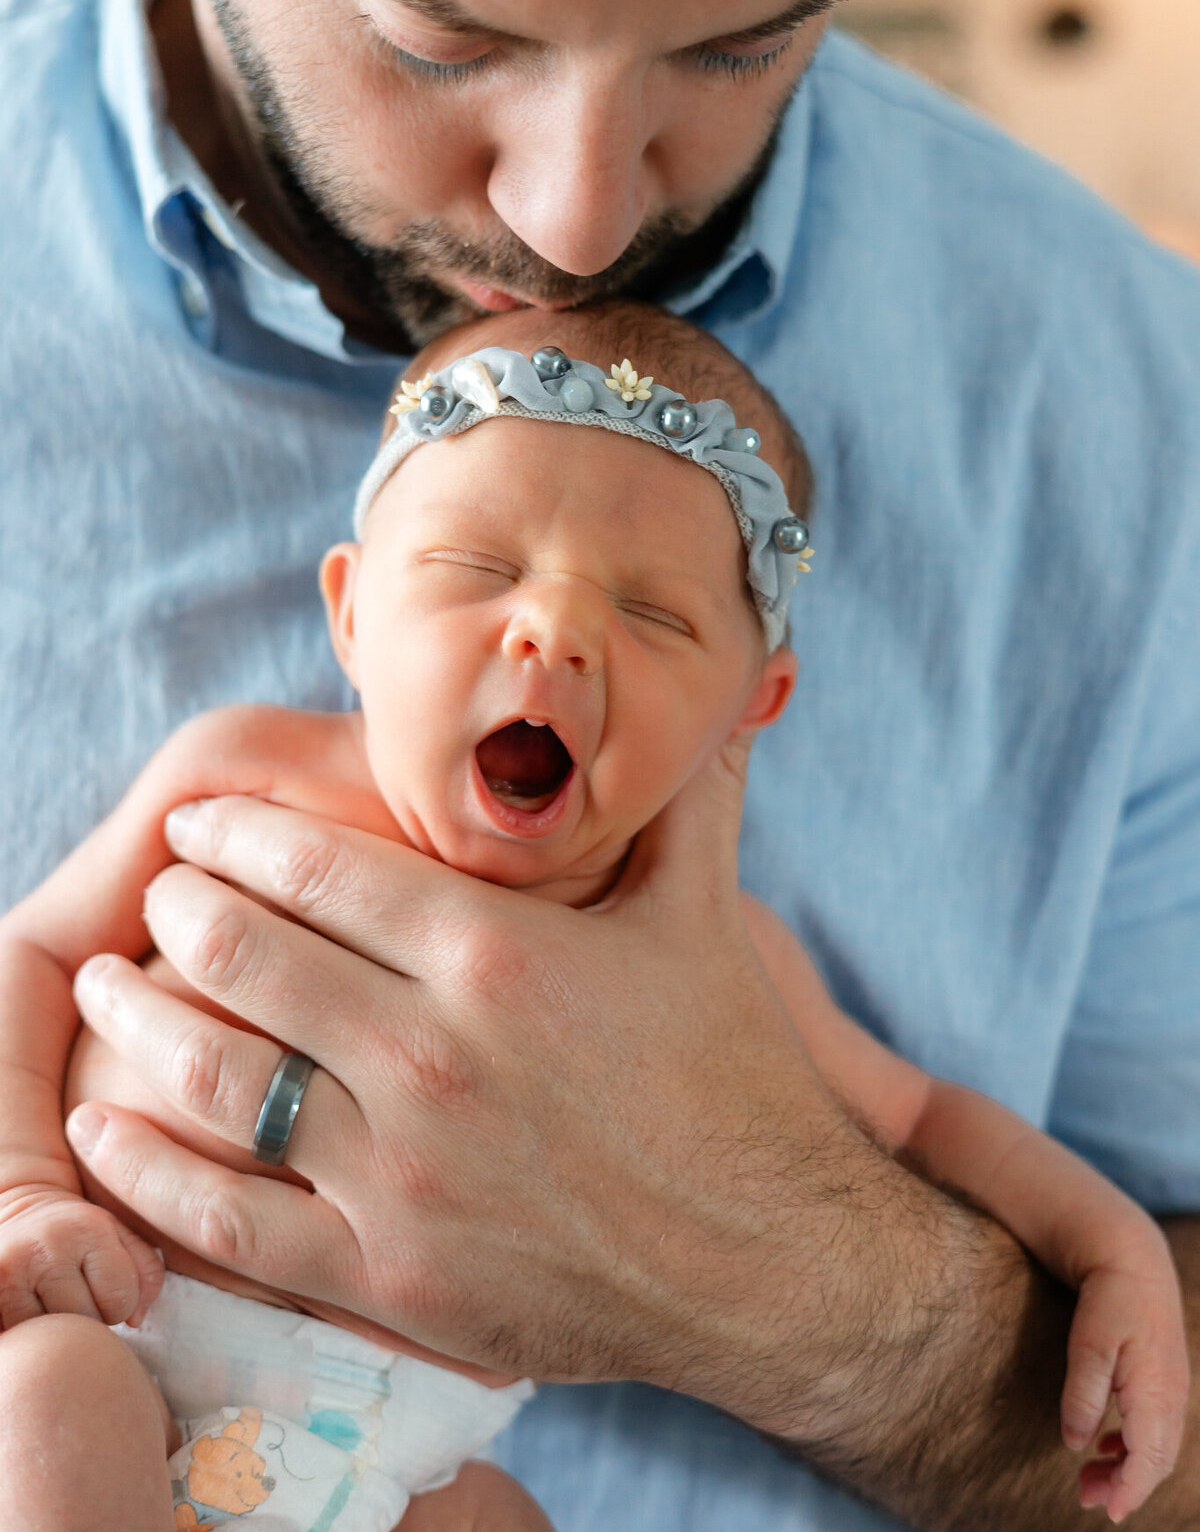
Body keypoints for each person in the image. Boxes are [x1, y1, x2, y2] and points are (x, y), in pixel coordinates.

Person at [1, 0, 1198, 1527]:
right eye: (439, 34)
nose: (579, 218)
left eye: (743, 41)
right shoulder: (241, 778)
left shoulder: (1137, 412)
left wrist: (799, 1288)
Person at [0, 306, 1187, 1531]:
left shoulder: (718, 967)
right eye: (477, 569)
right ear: (352, 614)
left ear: (749, 706)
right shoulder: (241, 769)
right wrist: (24, 1192)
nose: (555, 632)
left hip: (392, 1470)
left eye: (657, 616)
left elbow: (923, 1118)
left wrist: (1111, 1248)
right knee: (45, 1391)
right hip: (122, 1329)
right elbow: (33, 952)